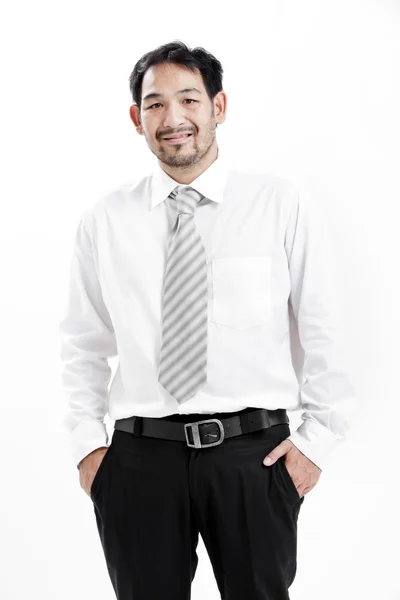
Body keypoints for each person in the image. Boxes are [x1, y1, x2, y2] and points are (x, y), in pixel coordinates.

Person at [59, 40, 356, 600]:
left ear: (218, 107)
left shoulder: (277, 203)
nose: (173, 119)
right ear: (136, 118)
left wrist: (317, 444)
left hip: (254, 458)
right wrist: (87, 449)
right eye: (154, 105)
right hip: (139, 461)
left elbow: (327, 329)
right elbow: (82, 342)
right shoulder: (106, 218)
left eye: (189, 100)